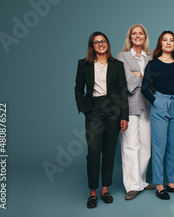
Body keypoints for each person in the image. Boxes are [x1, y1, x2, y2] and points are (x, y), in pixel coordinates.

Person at [75, 31, 128, 208]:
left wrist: (124, 116)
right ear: (92, 46)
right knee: (93, 151)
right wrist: (83, 108)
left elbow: (122, 92)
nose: (100, 44)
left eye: (103, 41)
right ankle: (92, 191)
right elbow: (78, 88)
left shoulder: (117, 65)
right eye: (96, 42)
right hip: (94, 109)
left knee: (109, 151)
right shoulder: (84, 64)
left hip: (113, 110)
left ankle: (105, 189)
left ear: (107, 44)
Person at [141, 31, 174, 200]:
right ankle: (159, 185)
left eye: (171, 40)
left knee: (173, 147)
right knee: (159, 147)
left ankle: (171, 183)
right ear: (160, 44)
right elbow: (144, 88)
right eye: (165, 40)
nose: (168, 42)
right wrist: (156, 101)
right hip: (159, 105)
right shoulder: (153, 64)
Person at [116, 24, 154, 201]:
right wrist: (143, 77)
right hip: (129, 106)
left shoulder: (151, 57)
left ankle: (142, 181)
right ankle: (132, 186)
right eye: (134, 34)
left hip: (147, 106)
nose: (138, 36)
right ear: (130, 38)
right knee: (130, 146)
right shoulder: (122, 56)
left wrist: (138, 75)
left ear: (145, 37)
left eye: (141, 33)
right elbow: (125, 80)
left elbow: (154, 81)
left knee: (146, 147)